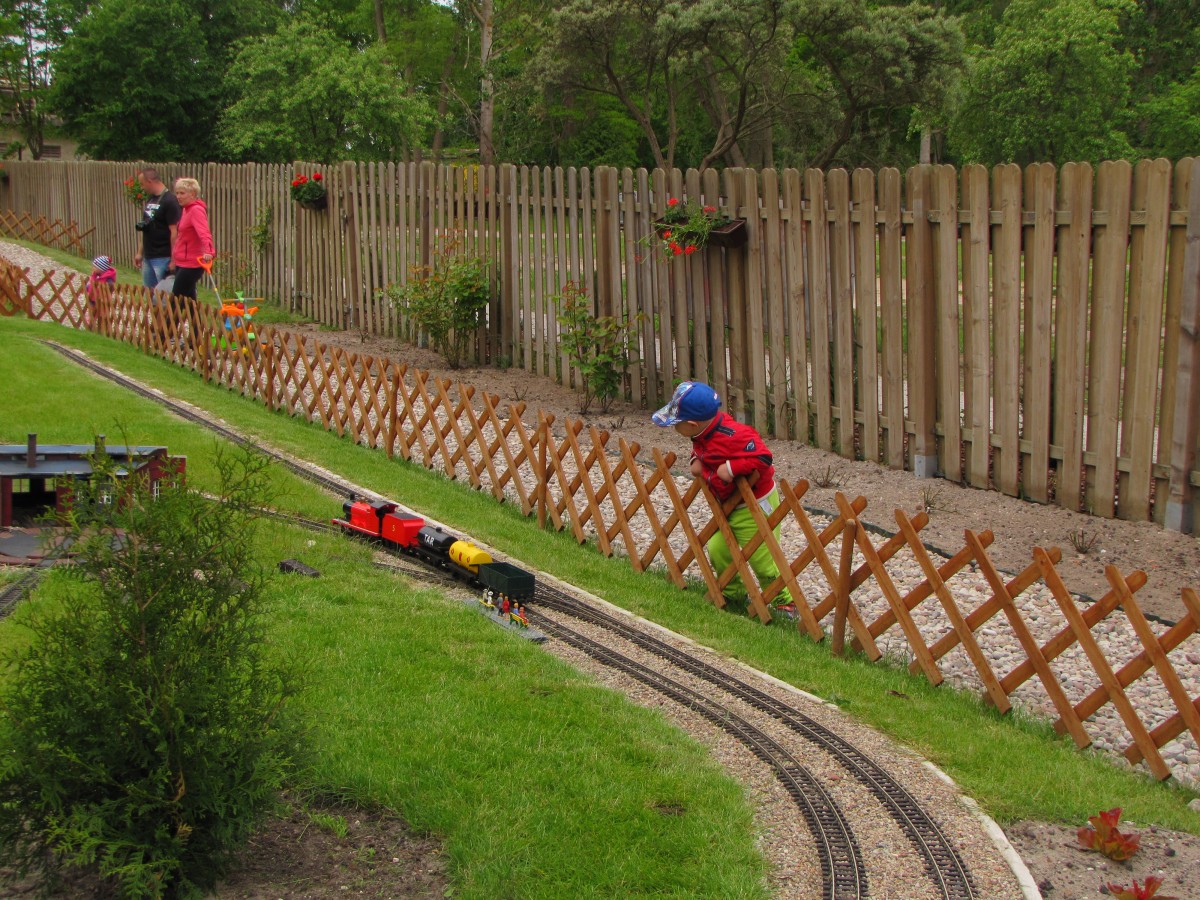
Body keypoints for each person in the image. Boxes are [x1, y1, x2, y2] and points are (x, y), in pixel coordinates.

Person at [652, 380, 797, 619]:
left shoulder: (735, 436)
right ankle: (733, 592)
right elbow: (702, 450)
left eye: (677, 424)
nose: (675, 429)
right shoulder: (702, 433)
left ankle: (784, 602)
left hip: (755, 505)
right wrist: (694, 461)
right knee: (719, 548)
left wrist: (732, 467)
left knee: (763, 557)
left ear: (692, 424)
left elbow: (763, 457)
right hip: (728, 504)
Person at [132, 168, 181, 290]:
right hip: (148, 256)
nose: (142, 188)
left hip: (163, 256)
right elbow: (146, 227)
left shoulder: (170, 201)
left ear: (149, 181)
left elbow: (174, 232)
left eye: (142, 184)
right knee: (150, 294)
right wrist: (139, 252)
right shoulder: (151, 199)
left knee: (164, 296)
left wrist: (174, 259)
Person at [170, 177, 215, 301]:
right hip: (182, 261)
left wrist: (209, 252)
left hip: (192, 263)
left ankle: (168, 321)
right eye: (177, 193)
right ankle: (197, 321)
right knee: (189, 300)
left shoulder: (196, 210)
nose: (178, 196)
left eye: (182, 193)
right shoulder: (185, 209)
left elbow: (204, 232)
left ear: (193, 194)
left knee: (176, 299)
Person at [85, 255, 116, 330]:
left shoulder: (108, 279)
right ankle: (89, 323)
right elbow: (91, 284)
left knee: (102, 314)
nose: (93, 268)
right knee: (91, 311)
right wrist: (88, 287)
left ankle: (102, 326)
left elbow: (111, 287)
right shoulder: (96, 275)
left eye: (95, 267)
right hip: (92, 298)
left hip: (102, 300)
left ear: (102, 268)